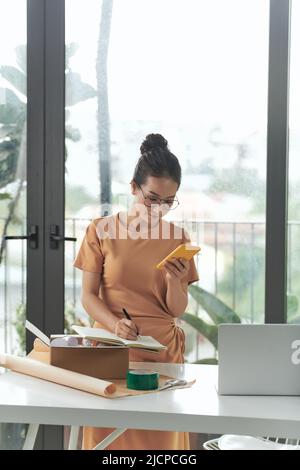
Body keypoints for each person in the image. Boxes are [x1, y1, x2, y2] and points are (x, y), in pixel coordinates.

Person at [73, 133, 199, 450]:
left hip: (162, 351)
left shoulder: (178, 238)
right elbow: (88, 296)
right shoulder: (100, 231)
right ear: (133, 187)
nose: (159, 209)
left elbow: (176, 310)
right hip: (113, 348)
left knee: (161, 444)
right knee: (108, 441)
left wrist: (173, 281)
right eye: (152, 199)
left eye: (168, 202)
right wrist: (115, 325)